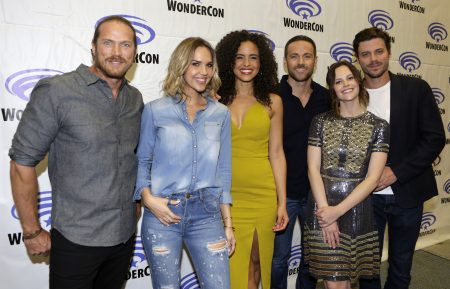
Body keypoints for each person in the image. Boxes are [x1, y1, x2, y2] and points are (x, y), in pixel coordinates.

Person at [9, 16, 143, 289]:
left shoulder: (135, 99)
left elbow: (134, 156)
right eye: (108, 43)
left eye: (125, 45)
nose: (117, 53)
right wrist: (32, 230)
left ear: (135, 52)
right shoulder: (58, 91)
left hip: (124, 237)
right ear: (93, 47)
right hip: (76, 241)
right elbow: (21, 162)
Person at [134, 37, 235, 289]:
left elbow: (223, 170)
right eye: (195, 64)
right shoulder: (155, 110)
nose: (204, 72)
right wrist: (147, 198)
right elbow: (142, 160)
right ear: (181, 66)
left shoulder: (220, 113)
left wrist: (228, 224)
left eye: (209, 65)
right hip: (163, 214)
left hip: (207, 215)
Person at [353, 27, 446, 289]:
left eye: (379, 51)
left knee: (401, 266)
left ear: (389, 52)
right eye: (366, 54)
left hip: (407, 194)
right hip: (365, 199)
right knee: (367, 269)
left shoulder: (415, 88)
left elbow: (434, 138)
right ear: (357, 59)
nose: (373, 59)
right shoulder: (350, 94)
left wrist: (396, 172)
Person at [304, 60, 389, 289]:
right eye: (338, 81)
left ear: (359, 82)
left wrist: (337, 212)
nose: (345, 85)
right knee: (334, 281)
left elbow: (372, 179)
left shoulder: (379, 126)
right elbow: (313, 169)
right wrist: (326, 214)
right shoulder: (320, 122)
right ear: (332, 88)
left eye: (349, 78)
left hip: (357, 209)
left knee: (347, 280)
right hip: (321, 207)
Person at [215, 30, 289, 289]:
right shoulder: (214, 100)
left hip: (262, 193)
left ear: (262, 62)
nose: (246, 64)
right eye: (239, 57)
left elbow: (277, 153)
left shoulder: (273, 102)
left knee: (257, 261)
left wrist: (282, 202)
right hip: (226, 195)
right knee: (234, 262)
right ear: (229, 61)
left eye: (253, 58)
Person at [271, 35, 330, 289]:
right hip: (281, 193)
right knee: (279, 259)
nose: (301, 62)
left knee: (311, 259)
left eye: (307, 56)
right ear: (285, 62)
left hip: (317, 194)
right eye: (294, 56)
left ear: (315, 61)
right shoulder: (271, 96)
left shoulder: (328, 98)